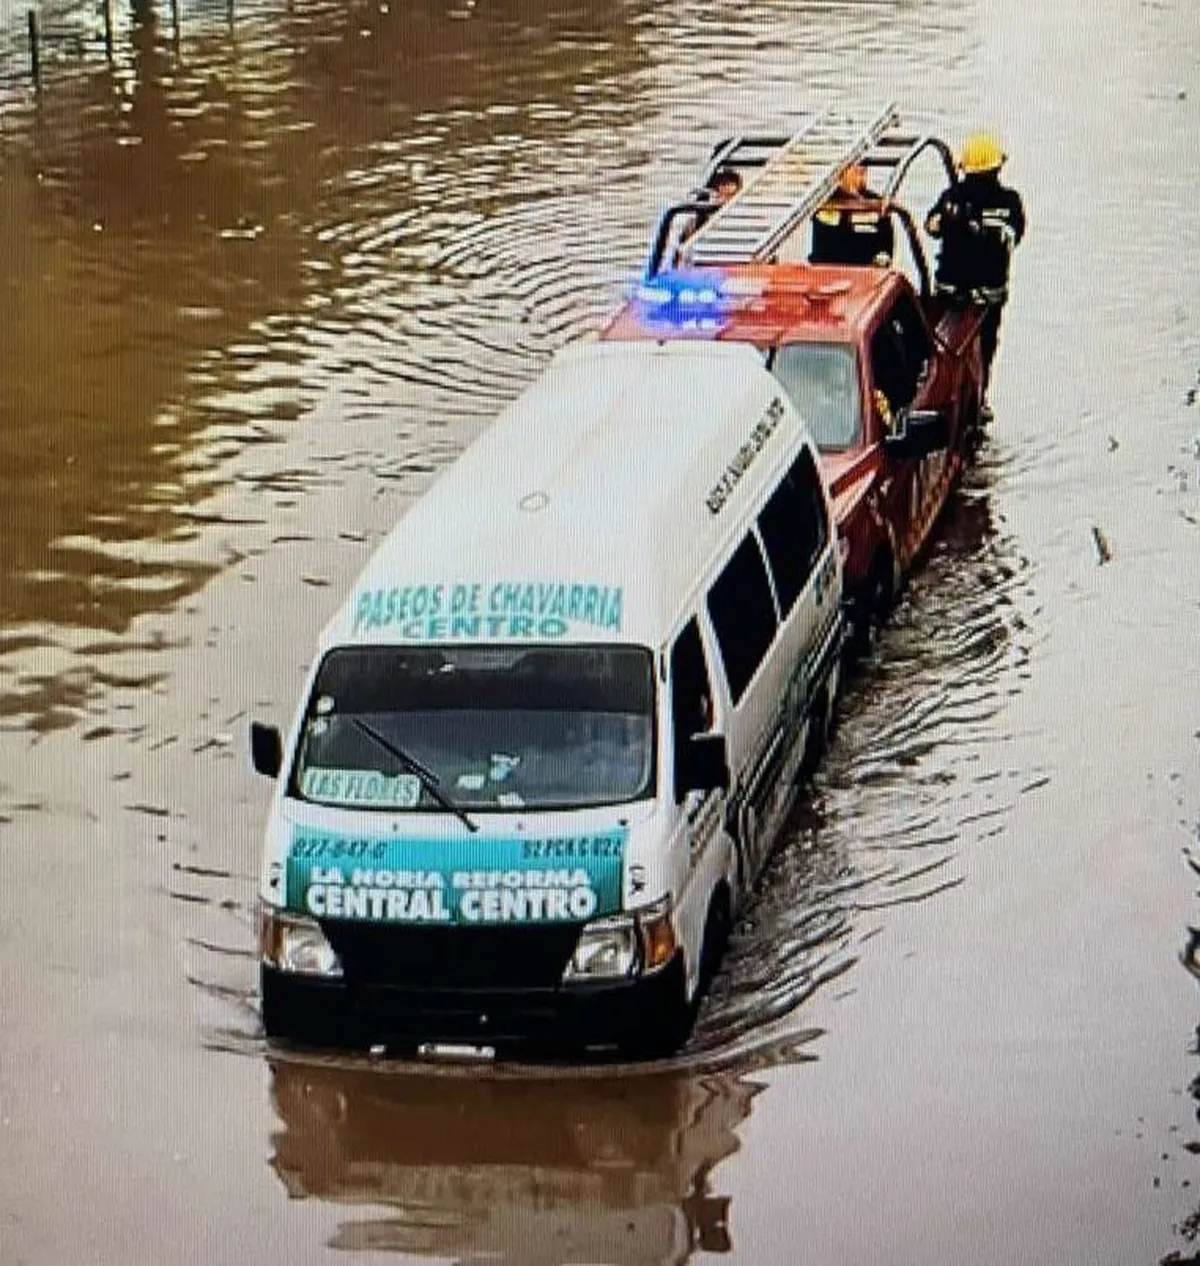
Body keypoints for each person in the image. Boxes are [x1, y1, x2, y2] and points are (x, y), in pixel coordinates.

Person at [925, 131, 1026, 400]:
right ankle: (965, 399)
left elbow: (1011, 236)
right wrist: (949, 219)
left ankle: (975, 399)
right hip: (955, 294)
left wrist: (975, 227)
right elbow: (931, 226)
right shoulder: (953, 198)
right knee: (951, 351)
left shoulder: (1004, 202)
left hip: (981, 298)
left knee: (974, 353)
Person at [809, 163, 895, 267]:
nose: (861, 169)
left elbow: (885, 249)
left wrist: (880, 262)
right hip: (827, 272)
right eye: (855, 167)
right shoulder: (823, 202)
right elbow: (822, 247)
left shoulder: (877, 204)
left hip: (867, 273)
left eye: (863, 166)